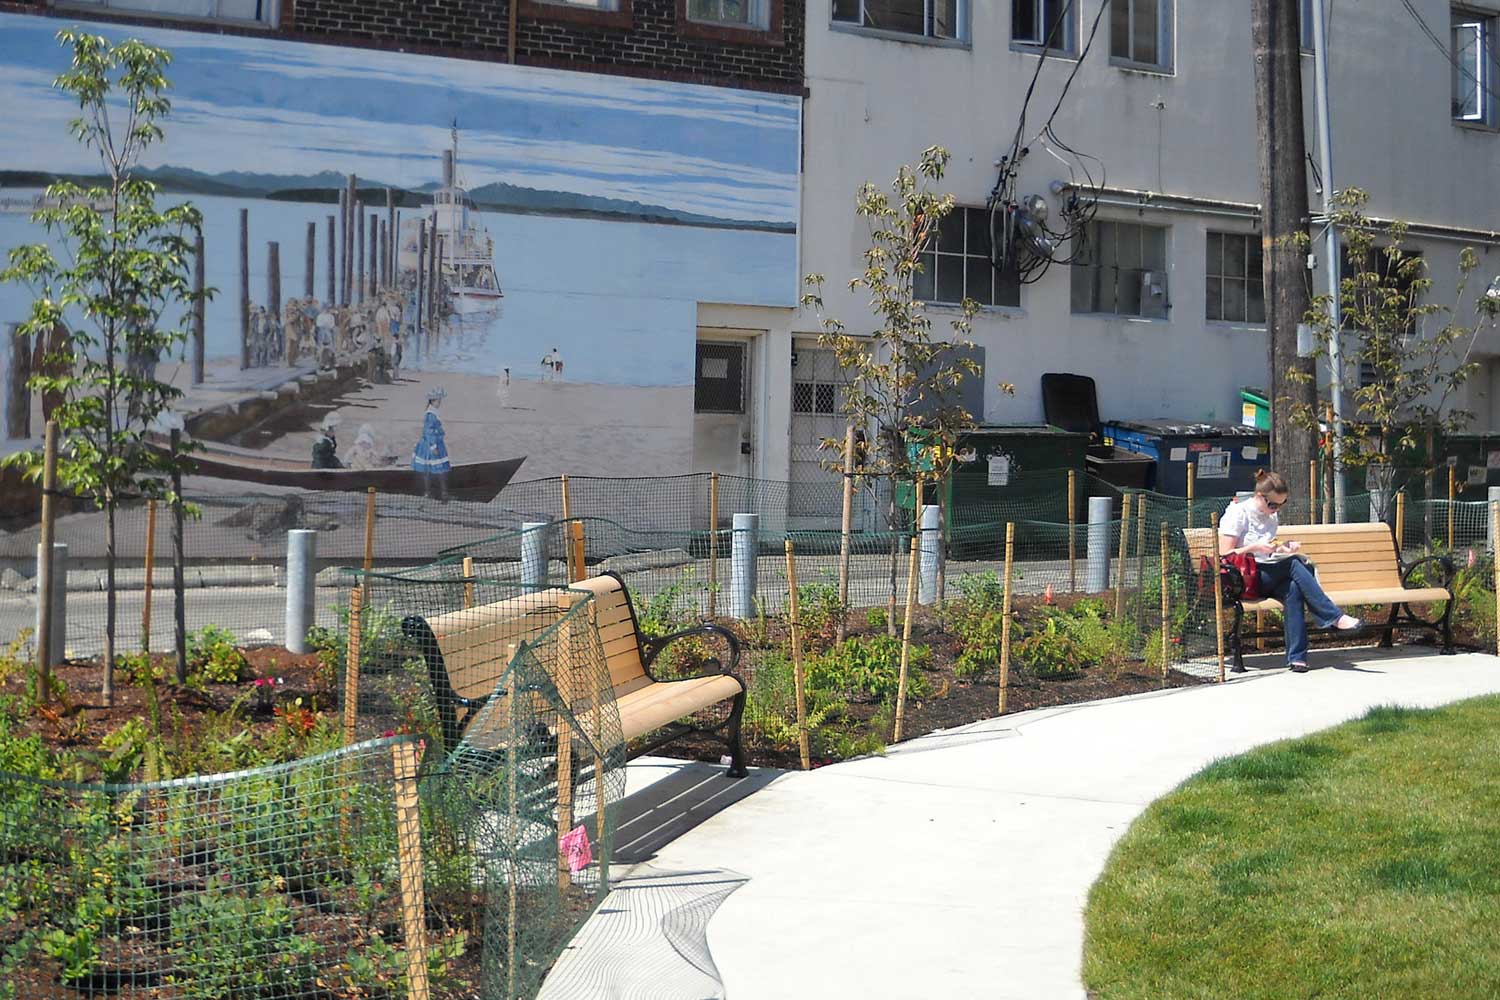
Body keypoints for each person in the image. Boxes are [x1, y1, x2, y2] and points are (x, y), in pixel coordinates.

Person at [1219, 469, 1361, 673]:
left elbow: (1267, 551)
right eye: (1272, 505)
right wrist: (1254, 547)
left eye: (1281, 504)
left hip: (1264, 574)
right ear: (1259, 496)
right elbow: (1224, 555)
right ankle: (1333, 617)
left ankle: (1297, 658)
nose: (1276, 509)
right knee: (1294, 564)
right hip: (1242, 578)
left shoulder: (1271, 517)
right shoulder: (1238, 513)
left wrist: (1282, 548)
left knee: (1293, 587)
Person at [412, 386, 450, 501]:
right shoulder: (430, 414)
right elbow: (429, 431)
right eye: (438, 401)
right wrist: (433, 446)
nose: (440, 403)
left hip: (435, 442)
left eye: (440, 400)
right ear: (433, 401)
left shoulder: (433, 412)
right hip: (431, 444)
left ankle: (438, 492)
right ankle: (435, 493)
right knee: (436, 469)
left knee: (433, 469)